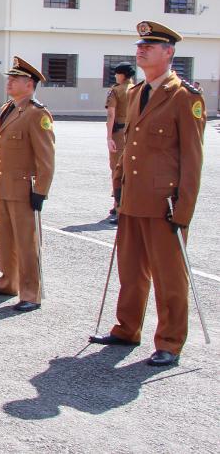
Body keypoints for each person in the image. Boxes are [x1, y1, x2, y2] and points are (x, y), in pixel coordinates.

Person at [90, 21, 206, 367]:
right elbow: (132, 147)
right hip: (133, 199)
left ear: (168, 53)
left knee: (168, 275)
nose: (141, 51)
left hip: (164, 203)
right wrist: (118, 186)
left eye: (149, 47)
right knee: (130, 269)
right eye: (140, 46)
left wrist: (183, 209)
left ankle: (170, 341)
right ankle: (127, 328)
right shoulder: (137, 92)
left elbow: (192, 159)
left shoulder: (185, 96)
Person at [0, 56, 55, 313]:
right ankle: (8, 281)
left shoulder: (37, 114)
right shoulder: (8, 109)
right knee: (6, 239)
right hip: (4, 185)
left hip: (24, 187)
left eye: (16, 79)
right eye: (10, 78)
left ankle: (30, 292)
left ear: (30, 84)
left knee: (26, 242)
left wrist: (41, 191)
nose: (9, 82)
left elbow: (46, 156)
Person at [105, 62, 135, 224]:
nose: (115, 76)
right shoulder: (138, 89)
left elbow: (111, 114)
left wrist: (109, 137)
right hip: (133, 133)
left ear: (121, 75)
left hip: (118, 132)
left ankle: (119, 206)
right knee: (131, 170)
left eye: (117, 74)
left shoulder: (116, 90)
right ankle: (119, 203)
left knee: (117, 169)